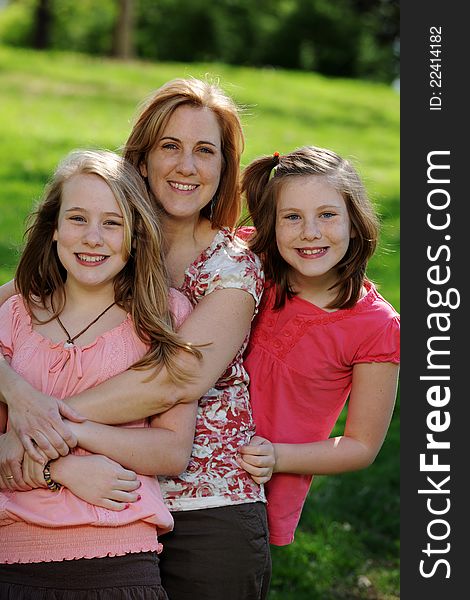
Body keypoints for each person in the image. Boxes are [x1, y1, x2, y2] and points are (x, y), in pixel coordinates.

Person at [0, 78, 272, 600]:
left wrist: (38, 430)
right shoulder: (95, 249)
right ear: (141, 159)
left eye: (205, 152)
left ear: (224, 170)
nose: (186, 166)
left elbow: (172, 382)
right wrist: (16, 390)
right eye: (170, 146)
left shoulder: (231, 272)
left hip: (204, 505)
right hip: (87, 502)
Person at [0, 148, 203, 598]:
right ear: (53, 230)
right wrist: (63, 469)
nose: (93, 238)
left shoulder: (164, 316)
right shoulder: (14, 316)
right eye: (77, 219)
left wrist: (73, 433)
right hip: (10, 557)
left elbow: (171, 451)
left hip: (118, 559)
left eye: (112, 223)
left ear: (135, 237)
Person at [237, 146, 400, 547]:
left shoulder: (375, 325)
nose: (310, 231)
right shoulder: (245, 262)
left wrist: (278, 457)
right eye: (292, 217)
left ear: (354, 222)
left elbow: (361, 445)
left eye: (327, 215)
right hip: (177, 455)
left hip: (256, 494)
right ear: (270, 226)